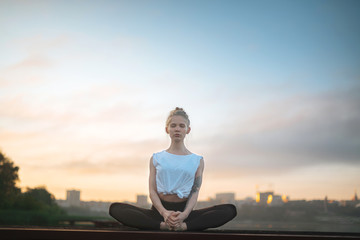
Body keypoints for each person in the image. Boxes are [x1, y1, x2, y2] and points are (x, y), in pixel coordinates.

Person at [109, 107, 237, 231]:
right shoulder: (156, 158)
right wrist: (164, 213)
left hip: (185, 214)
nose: (177, 129)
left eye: (182, 126)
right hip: (159, 213)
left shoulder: (197, 160)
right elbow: (152, 191)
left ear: (188, 130)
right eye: (173, 125)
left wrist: (185, 215)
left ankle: (183, 226)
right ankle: (163, 226)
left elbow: (195, 192)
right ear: (167, 129)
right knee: (115, 208)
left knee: (230, 210)